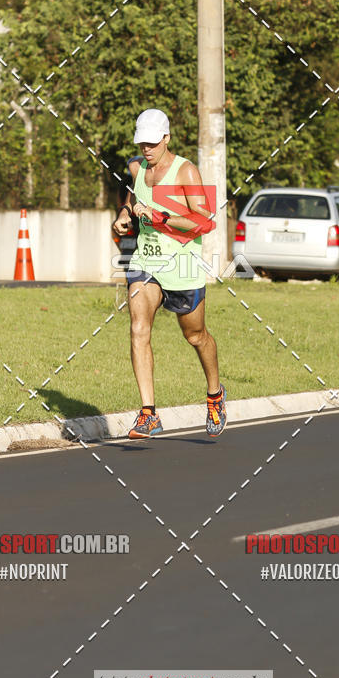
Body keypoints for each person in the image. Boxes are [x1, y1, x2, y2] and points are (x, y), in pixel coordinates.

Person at [112, 108, 227, 440]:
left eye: (152, 143)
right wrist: (125, 213)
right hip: (146, 260)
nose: (146, 149)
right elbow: (133, 195)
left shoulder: (186, 172)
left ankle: (215, 394)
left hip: (182, 262)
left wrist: (160, 216)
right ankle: (148, 413)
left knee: (195, 336)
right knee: (138, 327)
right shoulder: (137, 167)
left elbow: (205, 222)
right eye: (141, 143)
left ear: (166, 138)